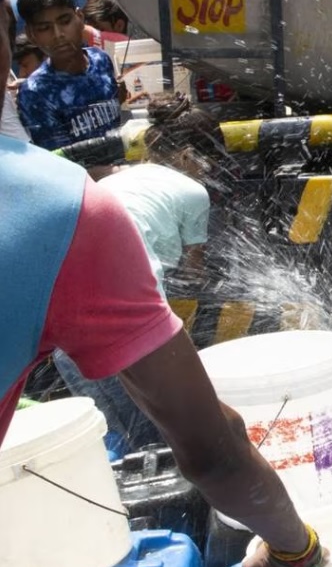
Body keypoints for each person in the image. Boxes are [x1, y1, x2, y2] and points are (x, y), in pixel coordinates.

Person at [0, 0, 317, 567]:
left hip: (89, 335)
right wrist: (294, 544)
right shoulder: (61, 207)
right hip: (102, 333)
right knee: (153, 440)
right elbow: (215, 454)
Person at [52, 93, 218, 453]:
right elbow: (194, 275)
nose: (209, 173)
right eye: (209, 164)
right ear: (189, 156)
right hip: (124, 340)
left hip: (67, 340)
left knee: (128, 445)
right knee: (162, 446)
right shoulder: (193, 192)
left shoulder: (113, 181)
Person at [16, 0, 122, 151]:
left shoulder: (101, 60)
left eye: (65, 22)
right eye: (45, 28)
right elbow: (61, 164)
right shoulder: (36, 93)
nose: (58, 35)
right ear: (31, 34)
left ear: (79, 18)